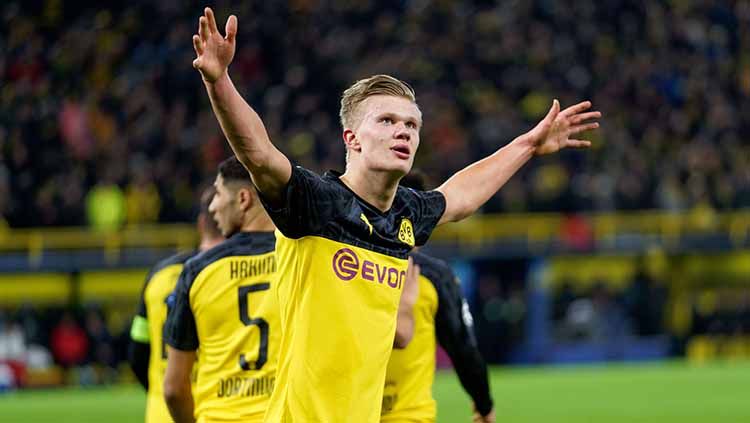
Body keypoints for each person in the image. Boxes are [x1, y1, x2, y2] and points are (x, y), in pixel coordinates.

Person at [190, 7, 600, 422]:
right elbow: (258, 154)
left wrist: (528, 144)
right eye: (386, 120)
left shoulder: (405, 214)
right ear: (352, 138)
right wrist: (219, 80)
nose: (403, 131)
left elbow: (460, 196)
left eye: (411, 124)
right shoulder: (316, 203)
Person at [163, 157, 279, 423]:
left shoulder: (198, 270)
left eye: (218, 193)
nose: (212, 206)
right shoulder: (302, 260)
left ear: (243, 199)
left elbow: (173, 389)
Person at [383, 171, 494, 423]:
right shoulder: (433, 276)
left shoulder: (345, 264)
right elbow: (463, 348)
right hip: (408, 415)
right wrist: (484, 404)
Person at [128, 186, 224, 423]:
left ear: (202, 224)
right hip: (211, 410)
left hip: (162, 411)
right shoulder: (227, 275)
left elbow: (137, 352)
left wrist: (159, 392)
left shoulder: (158, 275)